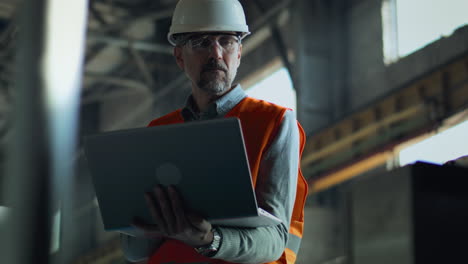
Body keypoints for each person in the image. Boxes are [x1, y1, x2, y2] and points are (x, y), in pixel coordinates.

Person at [119, 0, 308, 263]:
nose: (216, 54)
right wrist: (157, 224)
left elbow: (276, 240)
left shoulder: (273, 122)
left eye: (226, 41)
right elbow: (134, 252)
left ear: (239, 52)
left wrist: (211, 240)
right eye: (201, 42)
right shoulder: (158, 131)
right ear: (179, 57)